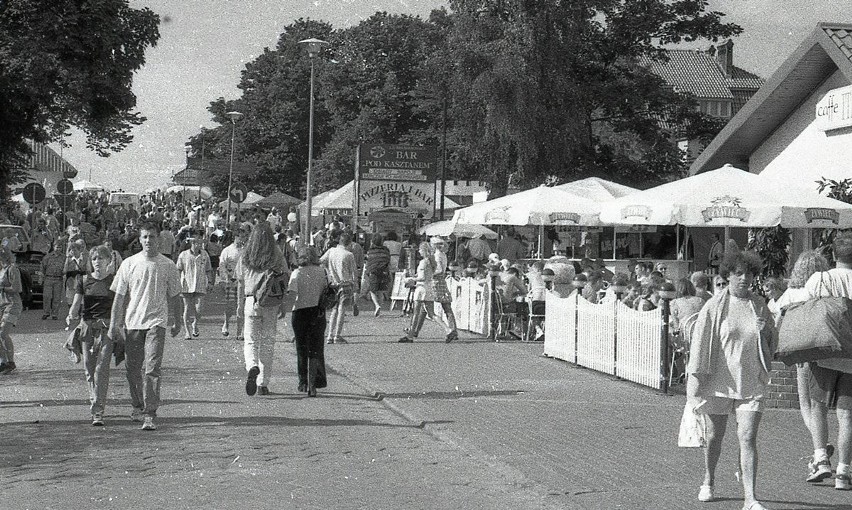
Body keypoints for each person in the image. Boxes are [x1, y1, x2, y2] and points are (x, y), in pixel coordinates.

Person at [686, 250, 776, 509]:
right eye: (738, 274)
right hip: (719, 382)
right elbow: (700, 345)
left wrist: (767, 330)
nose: (744, 278)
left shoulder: (759, 304)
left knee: (747, 437)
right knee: (715, 436)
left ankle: (750, 498)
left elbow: (771, 343)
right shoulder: (714, 306)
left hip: (751, 381)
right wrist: (696, 385)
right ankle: (709, 479)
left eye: (749, 273)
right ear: (728, 275)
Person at [109, 221, 182, 431]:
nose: (148, 241)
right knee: (132, 369)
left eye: (152, 236)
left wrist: (176, 320)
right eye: (144, 237)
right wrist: (115, 323)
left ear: (158, 239)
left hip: (156, 323)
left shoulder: (168, 265)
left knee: (152, 368)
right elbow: (119, 297)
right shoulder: (129, 264)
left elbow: (175, 296)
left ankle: (150, 413)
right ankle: (137, 405)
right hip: (133, 323)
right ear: (139, 240)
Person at [774, 250, 831, 483]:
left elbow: (777, 321)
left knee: (806, 404)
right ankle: (821, 445)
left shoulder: (791, 293)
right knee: (821, 405)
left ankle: (821, 448)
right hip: (824, 352)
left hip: (801, 354)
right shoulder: (822, 290)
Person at [802, 233, 852, 490]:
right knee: (847, 415)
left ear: (833, 256)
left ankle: (821, 458)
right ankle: (844, 472)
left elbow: (805, 306)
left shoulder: (822, 278)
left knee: (818, 406)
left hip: (823, 353)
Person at [236, 221, 289, 396]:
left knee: (250, 340)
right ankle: (263, 384)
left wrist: (239, 305)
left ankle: (252, 365)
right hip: (270, 302)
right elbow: (284, 278)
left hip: (251, 300)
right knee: (268, 342)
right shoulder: (277, 254)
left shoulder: (246, 254)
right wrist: (283, 303)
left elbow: (240, 282)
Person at [67, 245, 115, 426]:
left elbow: (119, 305)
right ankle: (94, 399)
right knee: (89, 367)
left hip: (106, 328)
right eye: (94, 259)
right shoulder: (83, 279)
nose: (97, 262)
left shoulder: (114, 281)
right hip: (87, 327)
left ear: (108, 261)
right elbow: (76, 302)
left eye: (101, 258)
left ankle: (98, 410)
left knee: (101, 369)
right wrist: (71, 314)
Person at [288, 245, 328, 397]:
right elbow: (326, 290)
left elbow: (292, 294)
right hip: (318, 312)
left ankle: (303, 382)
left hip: (300, 312)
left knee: (301, 348)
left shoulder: (297, 273)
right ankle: (313, 383)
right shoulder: (322, 272)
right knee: (316, 349)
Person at [399, 242, 454, 343]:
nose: (419, 251)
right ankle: (448, 329)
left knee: (416, 312)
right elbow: (426, 275)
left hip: (421, 289)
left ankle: (411, 335)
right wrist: (415, 276)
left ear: (424, 250)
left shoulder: (424, 262)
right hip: (429, 288)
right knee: (431, 313)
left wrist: (410, 279)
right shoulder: (432, 261)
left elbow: (423, 277)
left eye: (420, 249)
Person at [320, 231, 356, 344]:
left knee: (334, 310)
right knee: (342, 309)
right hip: (346, 284)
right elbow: (354, 273)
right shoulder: (349, 255)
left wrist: (328, 271)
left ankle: (330, 335)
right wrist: (356, 288)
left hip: (333, 284)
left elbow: (320, 261)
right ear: (349, 243)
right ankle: (337, 335)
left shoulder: (331, 251)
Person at [176, 234, 212, 340]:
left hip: (200, 284)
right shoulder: (183, 255)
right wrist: (177, 283)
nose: (200, 245)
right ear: (192, 243)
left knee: (199, 308)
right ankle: (187, 332)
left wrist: (210, 282)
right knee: (187, 308)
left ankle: (195, 324)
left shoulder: (204, 255)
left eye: (201, 243)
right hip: (187, 284)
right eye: (197, 243)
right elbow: (178, 269)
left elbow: (208, 269)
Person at [219, 224, 249, 338]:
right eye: (240, 237)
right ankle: (226, 323)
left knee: (241, 306)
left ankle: (239, 331)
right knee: (231, 306)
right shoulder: (227, 251)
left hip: (243, 282)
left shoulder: (246, 251)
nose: (242, 239)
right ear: (235, 237)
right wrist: (226, 277)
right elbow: (222, 265)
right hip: (230, 282)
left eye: (244, 237)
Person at [431, 237, 459, 342]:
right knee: (446, 306)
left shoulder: (437, 255)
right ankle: (453, 329)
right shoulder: (443, 255)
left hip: (437, 281)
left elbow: (439, 270)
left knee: (428, 306)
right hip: (440, 281)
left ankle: (414, 330)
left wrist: (430, 273)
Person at [0, 247, 23, 375]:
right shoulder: (1, 269)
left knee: (3, 333)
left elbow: (17, 288)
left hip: (12, 304)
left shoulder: (12, 269)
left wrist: (2, 287)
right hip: (1, 304)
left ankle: (11, 362)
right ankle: (3, 362)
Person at [363, 234, 390, 317]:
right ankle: (380, 308)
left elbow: (369, 261)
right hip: (384, 271)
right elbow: (388, 259)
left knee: (372, 290)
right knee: (381, 291)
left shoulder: (371, 251)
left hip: (373, 272)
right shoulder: (386, 250)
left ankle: (376, 305)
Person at [40, 242, 66, 320]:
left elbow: (66, 267)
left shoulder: (64, 257)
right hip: (48, 278)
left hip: (58, 279)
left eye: (60, 247)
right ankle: (46, 313)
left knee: (57, 298)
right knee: (47, 296)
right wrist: (41, 278)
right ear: (53, 247)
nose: (58, 249)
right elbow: (42, 268)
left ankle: (55, 314)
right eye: (57, 247)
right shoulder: (47, 257)